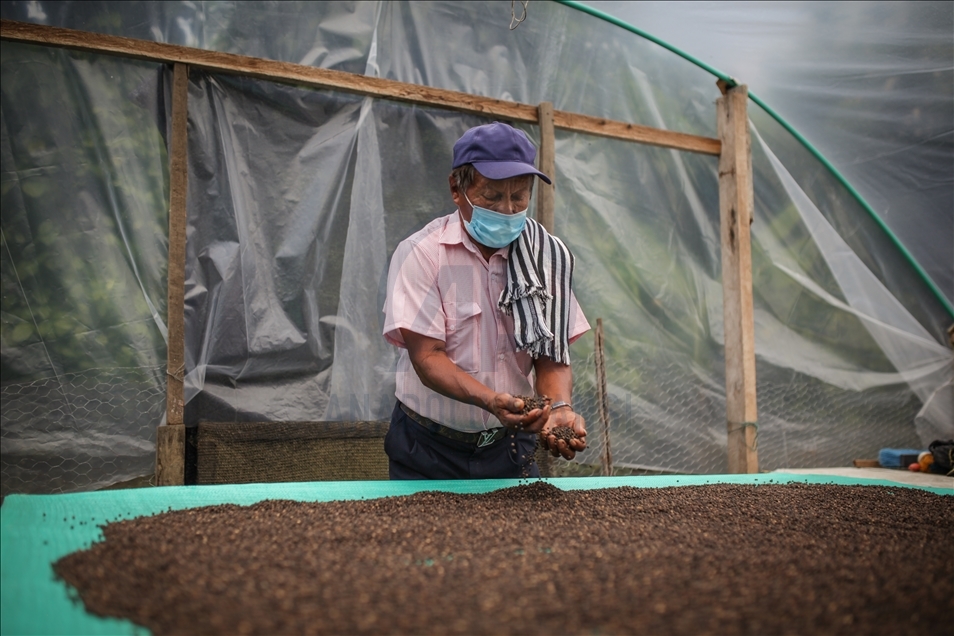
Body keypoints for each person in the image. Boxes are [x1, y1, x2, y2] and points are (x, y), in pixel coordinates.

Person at [382, 122, 590, 479]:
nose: (508, 209)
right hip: (428, 448)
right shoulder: (422, 254)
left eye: (519, 196)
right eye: (492, 196)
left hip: (509, 446)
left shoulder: (547, 257)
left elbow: (551, 354)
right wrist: (490, 400)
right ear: (456, 189)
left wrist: (558, 407)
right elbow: (427, 356)